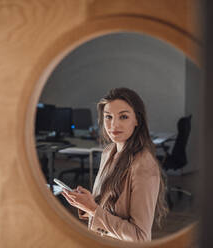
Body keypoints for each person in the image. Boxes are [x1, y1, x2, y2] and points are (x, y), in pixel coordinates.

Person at [61, 87, 168, 242]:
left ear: (137, 120)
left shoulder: (144, 165)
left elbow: (140, 237)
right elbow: (105, 212)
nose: (113, 125)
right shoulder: (108, 152)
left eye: (123, 117)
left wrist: (93, 209)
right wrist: (87, 204)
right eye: (108, 117)